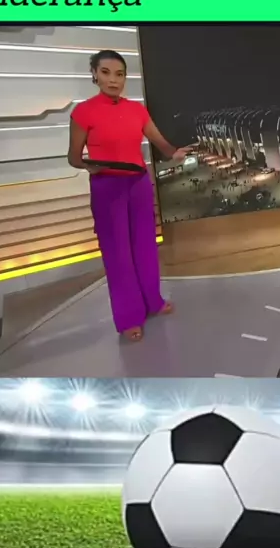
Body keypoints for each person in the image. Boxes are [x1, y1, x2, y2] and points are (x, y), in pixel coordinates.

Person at [68, 49, 192, 342]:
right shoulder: (83, 112)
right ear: (95, 75)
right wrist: (89, 166)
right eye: (106, 73)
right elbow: (73, 157)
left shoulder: (137, 110)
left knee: (146, 247)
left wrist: (174, 153)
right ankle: (129, 317)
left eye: (120, 74)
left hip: (138, 184)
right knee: (118, 254)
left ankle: (153, 302)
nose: (113, 80)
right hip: (106, 185)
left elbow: (160, 143)